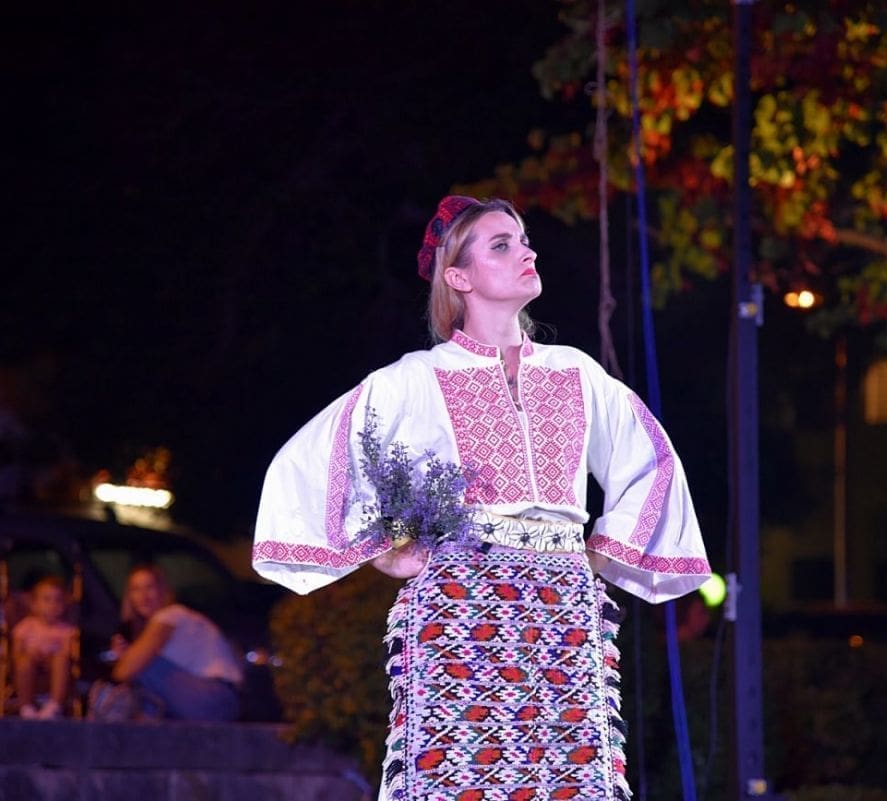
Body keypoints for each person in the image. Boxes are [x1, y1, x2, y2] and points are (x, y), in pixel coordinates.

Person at [253, 196, 711, 801]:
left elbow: (651, 461)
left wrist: (601, 551)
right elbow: (315, 460)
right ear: (459, 277)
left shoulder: (575, 372)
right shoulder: (417, 377)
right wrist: (385, 548)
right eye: (502, 244)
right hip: (460, 601)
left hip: (563, 605)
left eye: (524, 240)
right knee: (462, 777)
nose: (526, 251)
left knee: (570, 777)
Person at [107, 564, 243, 721]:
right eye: (136, 589)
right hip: (219, 700)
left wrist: (125, 658)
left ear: (163, 590)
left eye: (149, 587)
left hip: (214, 697)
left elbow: (124, 671)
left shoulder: (170, 616)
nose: (143, 596)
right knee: (146, 675)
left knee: (144, 666)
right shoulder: (175, 618)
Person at [11, 573, 75, 719]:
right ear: (34, 604)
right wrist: (30, 654)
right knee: (23, 662)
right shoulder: (26, 626)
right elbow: (16, 652)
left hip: (54, 673)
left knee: (61, 660)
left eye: (58, 600)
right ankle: (26, 707)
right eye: (47, 600)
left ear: (64, 606)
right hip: (28, 673)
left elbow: (68, 652)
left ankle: (54, 705)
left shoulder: (66, 630)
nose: (52, 605)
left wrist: (50, 658)